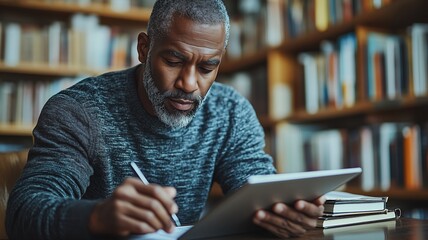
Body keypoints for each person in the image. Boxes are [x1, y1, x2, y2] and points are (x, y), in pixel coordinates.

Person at [6, 0, 325, 239]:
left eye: (206, 68)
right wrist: (98, 217)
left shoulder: (230, 112)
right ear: (143, 48)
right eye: (174, 61)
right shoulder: (79, 110)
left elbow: (254, 189)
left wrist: (280, 211)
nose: (189, 84)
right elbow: (24, 213)